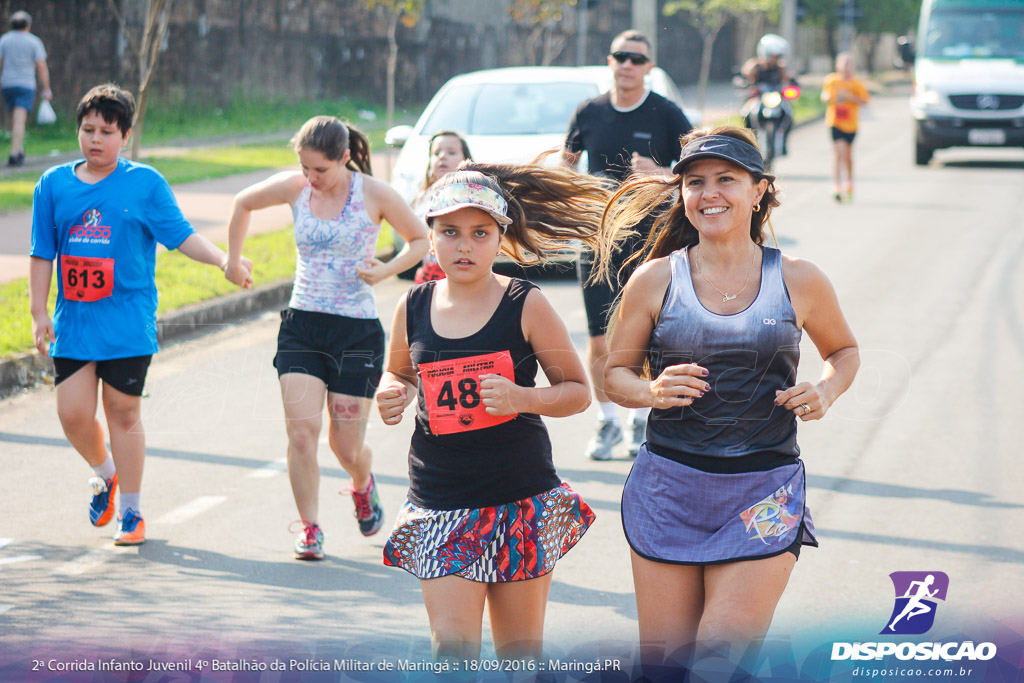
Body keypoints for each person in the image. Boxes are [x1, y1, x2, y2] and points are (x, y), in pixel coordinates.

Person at [598, 125, 860, 670]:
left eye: (726, 179)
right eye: (695, 182)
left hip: (762, 491)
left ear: (758, 189)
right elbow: (614, 375)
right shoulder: (653, 280)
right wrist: (650, 390)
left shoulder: (798, 279)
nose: (709, 193)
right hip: (668, 489)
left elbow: (844, 351)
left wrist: (827, 389)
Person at [375, 164, 607, 659]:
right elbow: (400, 374)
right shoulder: (411, 306)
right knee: (452, 652)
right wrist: (391, 391)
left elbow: (577, 391)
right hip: (440, 497)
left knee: (519, 657)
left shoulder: (526, 303)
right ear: (430, 237)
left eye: (480, 233)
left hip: (517, 495)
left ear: (501, 238)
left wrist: (522, 398)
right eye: (450, 232)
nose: (464, 246)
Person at [28, 84, 254, 546]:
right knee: (72, 415)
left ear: (125, 136)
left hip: (128, 320)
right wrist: (37, 311)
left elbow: (182, 235)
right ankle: (104, 475)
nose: (95, 139)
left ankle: (130, 512)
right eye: (87, 130)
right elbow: (41, 253)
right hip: (75, 322)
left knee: (122, 411)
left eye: (106, 132)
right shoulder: (52, 185)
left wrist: (224, 262)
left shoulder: (145, 184)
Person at [223, 115, 428, 561]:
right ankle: (310, 528)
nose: (310, 179)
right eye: (304, 168)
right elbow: (242, 203)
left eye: (320, 170)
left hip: (355, 331)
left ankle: (362, 482)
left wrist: (385, 269)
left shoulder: (374, 194)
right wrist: (232, 261)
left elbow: (419, 240)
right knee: (302, 433)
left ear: (345, 158)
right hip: (302, 326)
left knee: (345, 444)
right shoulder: (296, 187)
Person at [562, 28, 692, 462]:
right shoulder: (588, 113)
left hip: (650, 242)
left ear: (649, 67)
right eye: (621, 56)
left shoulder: (666, 113)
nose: (628, 65)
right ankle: (608, 420)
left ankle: (642, 417)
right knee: (600, 339)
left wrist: (661, 174)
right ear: (610, 61)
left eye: (637, 58)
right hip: (598, 241)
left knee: (645, 337)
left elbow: (700, 167)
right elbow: (564, 170)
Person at [411, 130, 472, 283]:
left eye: (451, 152)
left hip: (463, 274)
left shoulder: (472, 195)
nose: (442, 156)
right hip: (430, 276)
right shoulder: (422, 198)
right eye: (436, 153)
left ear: (465, 159)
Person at [0, 10, 51, 166]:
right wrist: (47, 88)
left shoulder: (4, 40)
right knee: (20, 120)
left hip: (7, 84)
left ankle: (19, 149)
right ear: (28, 25)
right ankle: (14, 155)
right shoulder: (34, 42)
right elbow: (41, 66)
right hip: (25, 85)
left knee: (13, 119)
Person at [821, 52, 870, 203]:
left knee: (847, 156)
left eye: (849, 64)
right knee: (838, 153)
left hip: (851, 125)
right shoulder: (832, 81)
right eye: (844, 64)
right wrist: (830, 97)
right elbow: (824, 96)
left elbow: (864, 101)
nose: (846, 67)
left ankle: (849, 182)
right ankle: (837, 186)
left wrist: (850, 97)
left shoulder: (856, 84)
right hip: (835, 122)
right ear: (838, 66)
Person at [740, 34, 797, 156]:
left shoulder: (781, 69)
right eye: (773, 56)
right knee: (746, 113)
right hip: (759, 99)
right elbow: (743, 77)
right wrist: (745, 84)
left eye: (777, 56)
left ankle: (783, 143)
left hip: (776, 99)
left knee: (789, 114)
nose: (775, 59)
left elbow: (791, 80)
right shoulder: (754, 66)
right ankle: (748, 142)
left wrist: (793, 85)